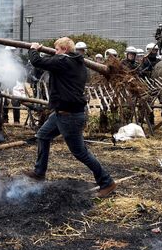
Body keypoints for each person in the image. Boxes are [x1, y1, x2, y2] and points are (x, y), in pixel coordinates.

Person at [23, 37, 117, 198]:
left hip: (70, 115)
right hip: (62, 112)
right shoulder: (77, 63)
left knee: (80, 153)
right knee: (43, 136)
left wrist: (33, 48)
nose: (56, 52)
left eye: (57, 49)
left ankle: (107, 182)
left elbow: (37, 61)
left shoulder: (64, 62)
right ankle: (39, 172)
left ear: (65, 50)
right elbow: (49, 62)